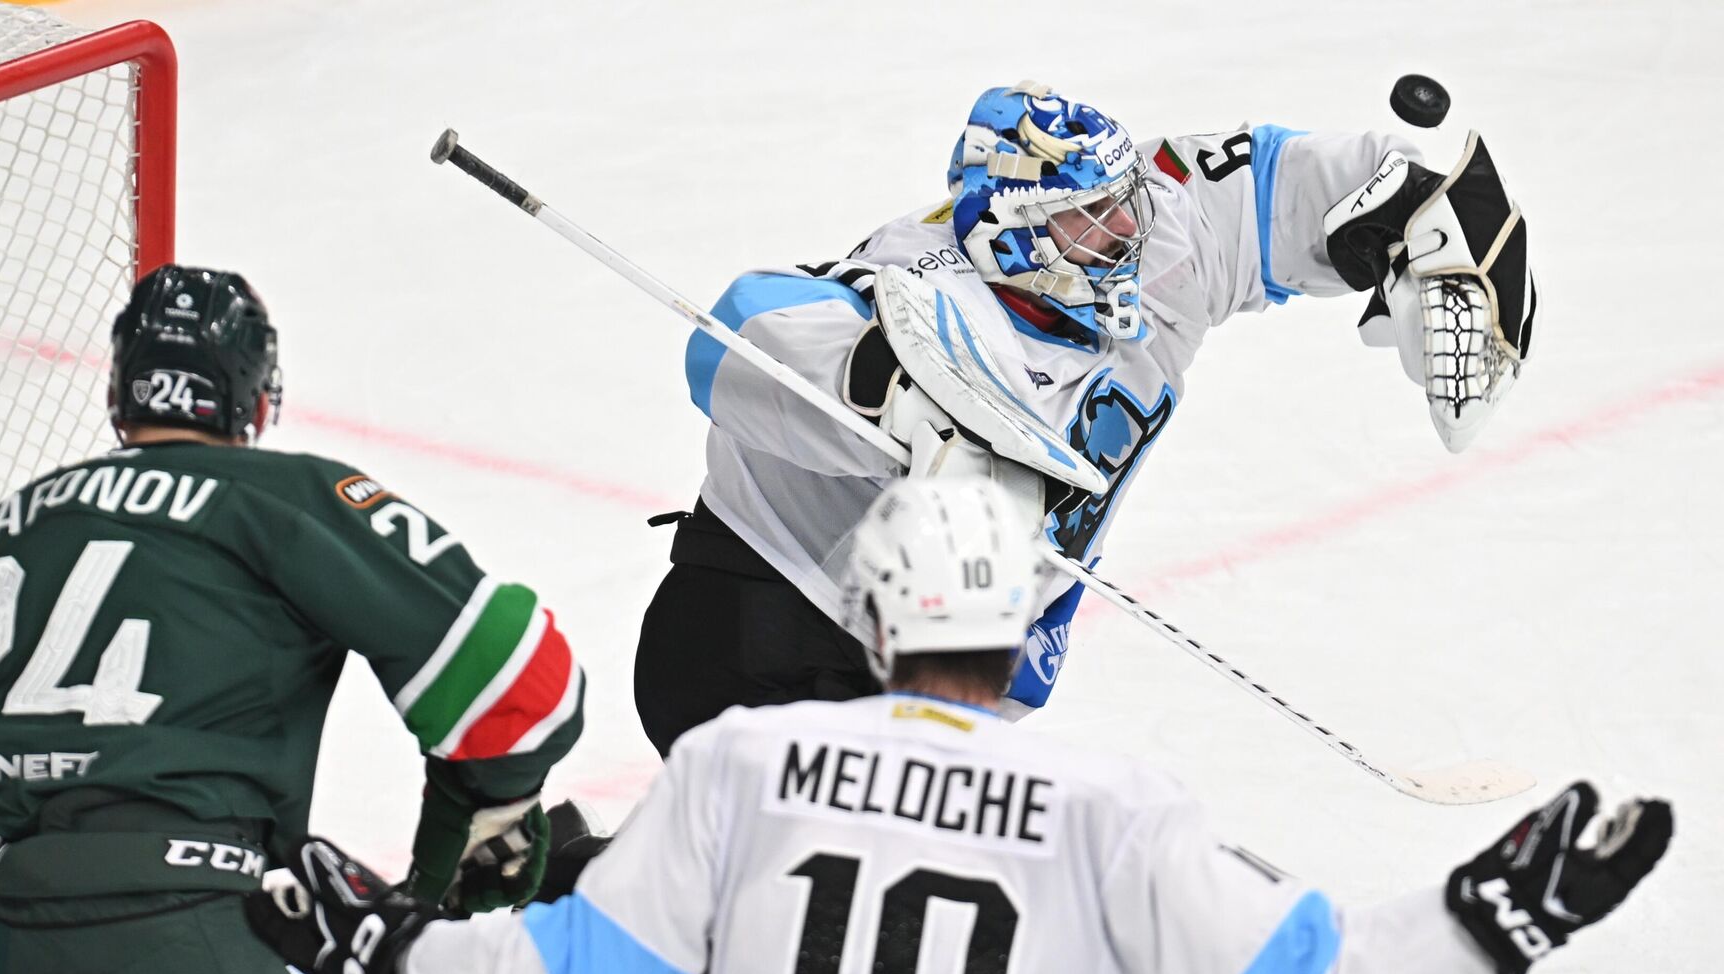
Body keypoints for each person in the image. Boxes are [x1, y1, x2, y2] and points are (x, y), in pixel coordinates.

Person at [251, 476, 1666, 974]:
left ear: (869, 618)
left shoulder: (744, 762)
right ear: (1017, 623)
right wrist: (1489, 919)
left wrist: (385, 949)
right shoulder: (1113, 805)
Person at [634, 80, 1539, 756]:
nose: (1125, 231)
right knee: (806, 920)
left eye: (1121, 201)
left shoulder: (1156, 236)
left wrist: (1419, 205)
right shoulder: (924, 291)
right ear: (1014, 231)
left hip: (937, 676)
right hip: (763, 634)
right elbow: (740, 333)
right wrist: (900, 400)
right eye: (1089, 219)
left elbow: (1274, 184)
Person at [0, 265, 585, 974]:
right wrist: (482, 813)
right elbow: (523, 678)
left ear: (121, 388)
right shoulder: (281, 496)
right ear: (256, 397)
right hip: (152, 956)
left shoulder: (5, 523)